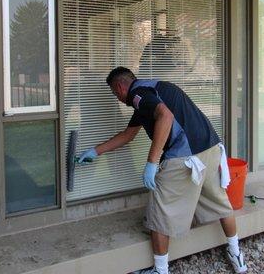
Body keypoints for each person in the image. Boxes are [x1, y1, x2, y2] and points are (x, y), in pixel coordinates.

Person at [78, 67, 247, 274]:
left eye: (115, 93)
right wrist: (96, 151)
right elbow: (128, 135)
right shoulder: (152, 91)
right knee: (221, 204)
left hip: (186, 156)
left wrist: (152, 162)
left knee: (158, 212)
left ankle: (160, 270)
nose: (117, 98)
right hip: (210, 149)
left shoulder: (139, 95)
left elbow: (164, 116)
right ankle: (237, 256)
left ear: (121, 86)